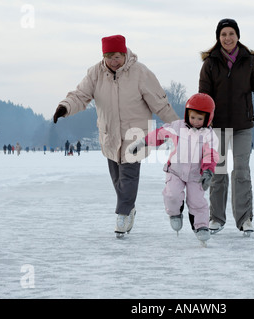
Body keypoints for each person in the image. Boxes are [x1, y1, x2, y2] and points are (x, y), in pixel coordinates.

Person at [53, 34, 179, 238]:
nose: (114, 61)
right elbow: (80, 95)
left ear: (125, 53)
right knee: (118, 179)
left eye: (117, 56)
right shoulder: (96, 73)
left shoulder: (140, 72)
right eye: (109, 57)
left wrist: (176, 125)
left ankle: (123, 213)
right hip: (109, 135)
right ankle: (128, 207)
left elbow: (159, 102)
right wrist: (65, 107)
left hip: (135, 135)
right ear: (104, 56)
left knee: (128, 176)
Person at [199, 18, 254, 235]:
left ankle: (244, 218)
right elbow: (203, 96)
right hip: (217, 126)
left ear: (237, 35)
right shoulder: (210, 63)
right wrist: (200, 123)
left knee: (242, 171)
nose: (227, 38)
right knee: (218, 172)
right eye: (223, 35)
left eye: (231, 34)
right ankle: (216, 218)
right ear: (218, 38)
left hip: (242, 125)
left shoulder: (249, 61)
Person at [129, 93, 219, 245]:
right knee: (172, 196)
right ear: (187, 114)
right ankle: (175, 213)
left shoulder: (209, 136)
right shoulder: (178, 127)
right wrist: (142, 142)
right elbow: (159, 134)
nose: (195, 122)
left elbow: (210, 155)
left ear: (208, 118)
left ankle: (201, 226)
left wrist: (208, 171)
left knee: (198, 201)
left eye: (200, 118)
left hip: (196, 175)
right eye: (192, 117)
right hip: (175, 172)